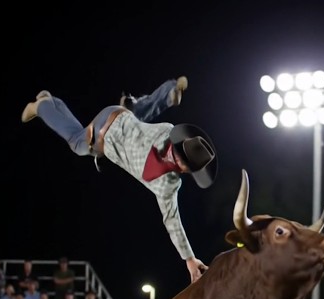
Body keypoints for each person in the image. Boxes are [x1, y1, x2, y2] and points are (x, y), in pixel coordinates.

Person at [21, 76, 217, 284]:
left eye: (179, 159)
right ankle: (42, 106)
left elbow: (172, 220)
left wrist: (189, 259)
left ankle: (165, 95)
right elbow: (172, 220)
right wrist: (189, 259)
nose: (173, 157)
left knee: (139, 116)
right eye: (178, 154)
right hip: (100, 135)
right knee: (77, 144)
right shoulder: (167, 161)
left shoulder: (168, 148)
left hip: (119, 114)